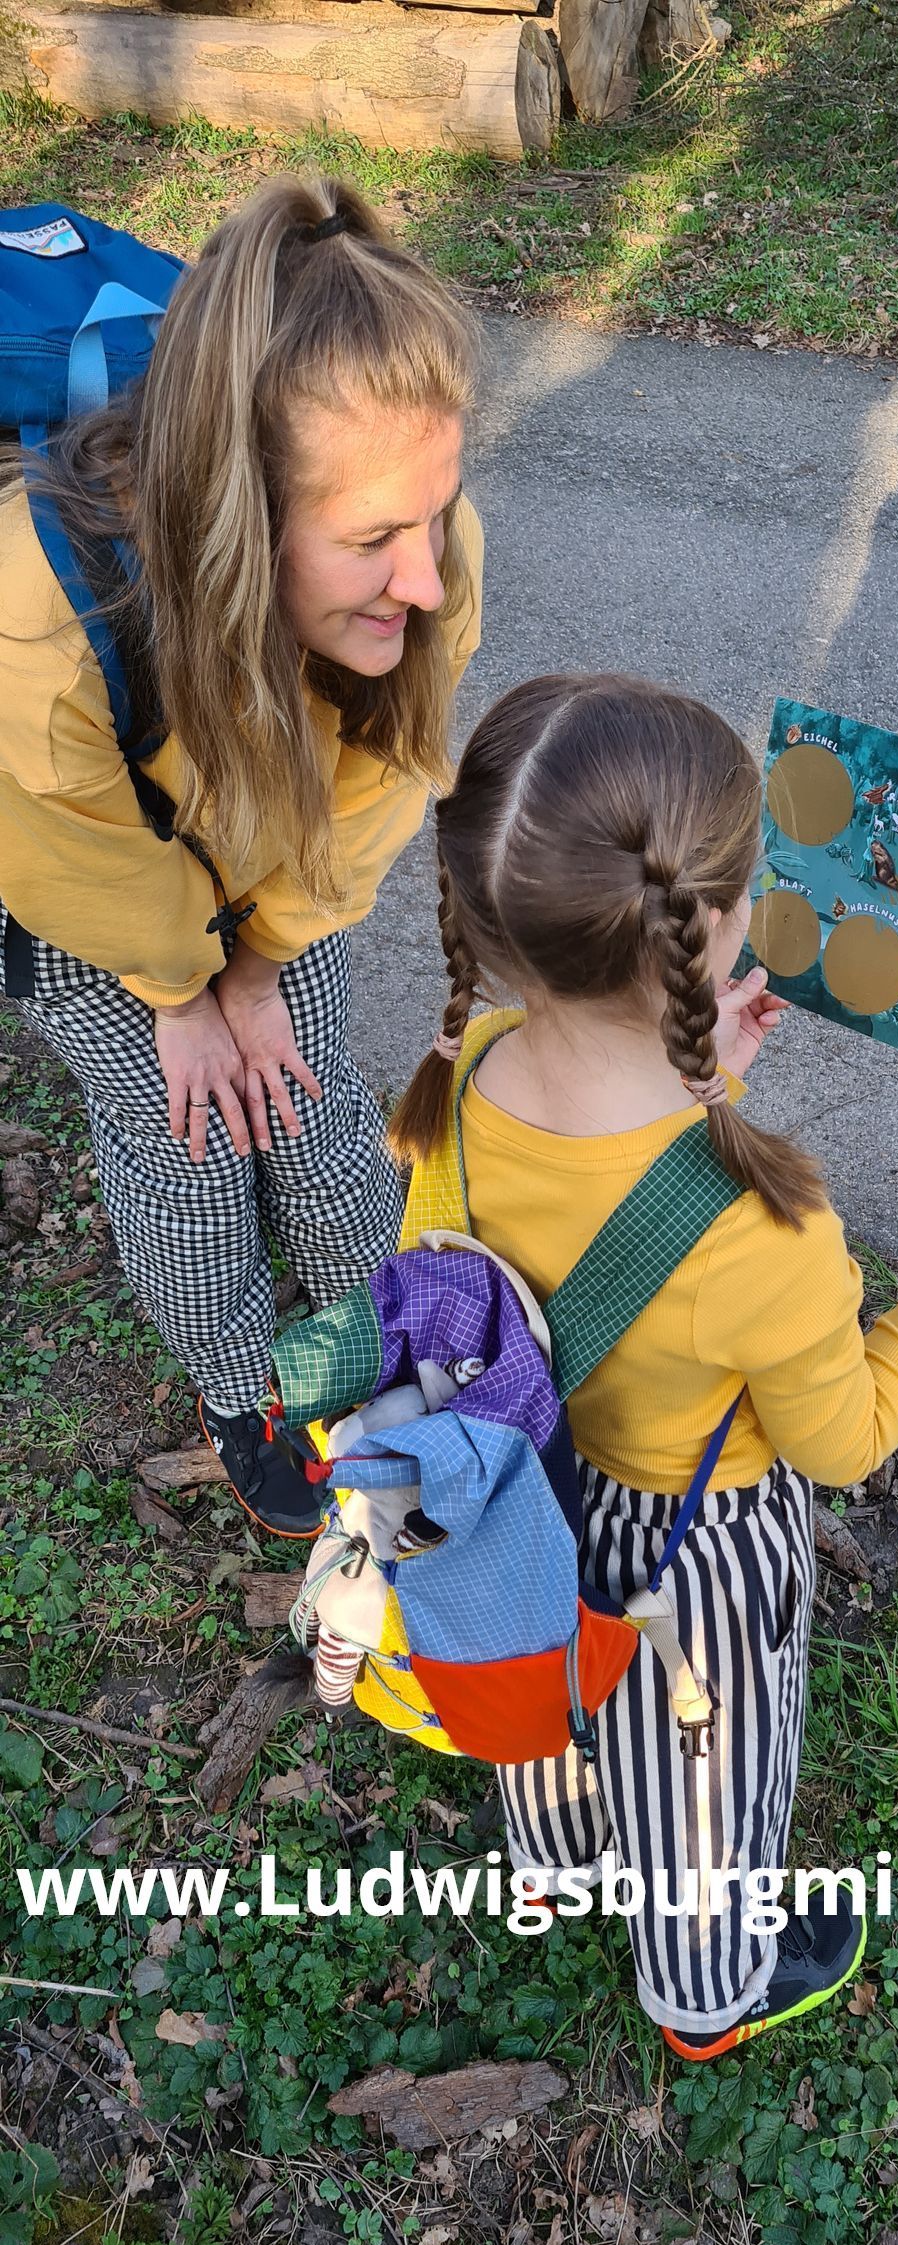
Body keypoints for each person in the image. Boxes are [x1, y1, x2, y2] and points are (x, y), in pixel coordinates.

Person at [387, 672, 898, 2061]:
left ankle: (561, 1856)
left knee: (544, 1672)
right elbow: (843, 1441)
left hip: (516, 1497)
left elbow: (525, 1266)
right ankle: (706, 1988)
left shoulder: (456, 1089)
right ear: (709, 935)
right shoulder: (768, 1225)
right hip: (689, 1559)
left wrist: (714, 1088)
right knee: (703, 1777)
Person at [0, 175, 483, 1539]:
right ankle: (238, 1390)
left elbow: (385, 775)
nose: (430, 578)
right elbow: (74, 865)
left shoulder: (419, 533)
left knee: (313, 1116)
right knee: (189, 1152)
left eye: (436, 514)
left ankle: (352, 1359)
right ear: (228, 506)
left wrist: (262, 963)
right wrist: (180, 994)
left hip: (272, 857)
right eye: (375, 539)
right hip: (94, 900)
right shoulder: (38, 623)